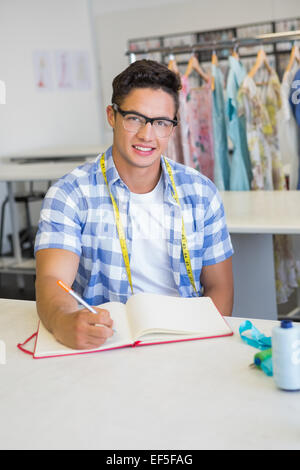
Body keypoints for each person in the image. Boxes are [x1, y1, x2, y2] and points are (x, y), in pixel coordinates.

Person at [35, 59, 234, 350]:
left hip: (187, 340)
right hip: (105, 343)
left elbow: (221, 288)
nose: (147, 135)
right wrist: (63, 320)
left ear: (173, 126)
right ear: (112, 116)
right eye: (134, 118)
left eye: (161, 123)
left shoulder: (200, 192)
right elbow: (52, 279)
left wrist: (202, 345)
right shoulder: (69, 194)